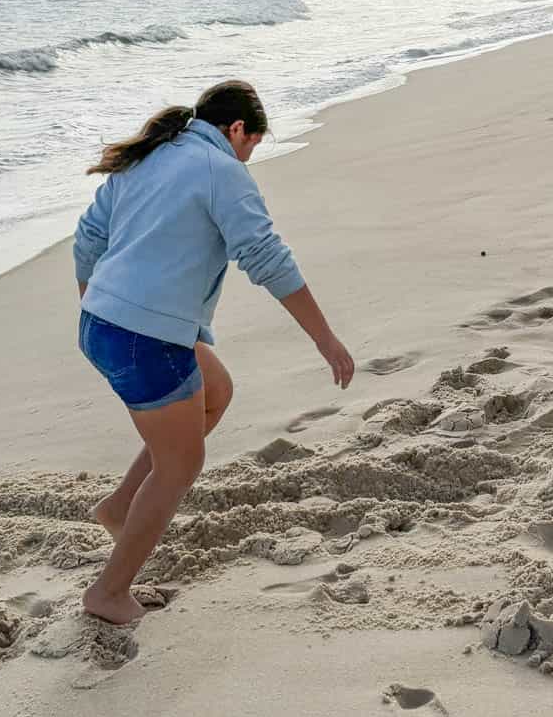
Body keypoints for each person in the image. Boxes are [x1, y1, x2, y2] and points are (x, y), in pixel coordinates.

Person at [73, 78, 354, 626]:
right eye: (251, 145)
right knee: (182, 463)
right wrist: (325, 337)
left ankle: (122, 507)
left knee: (216, 391)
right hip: (142, 337)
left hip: (102, 322)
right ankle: (108, 593)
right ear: (237, 130)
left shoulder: (151, 156)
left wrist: (102, 309)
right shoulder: (222, 171)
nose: (248, 156)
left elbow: (87, 240)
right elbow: (266, 257)